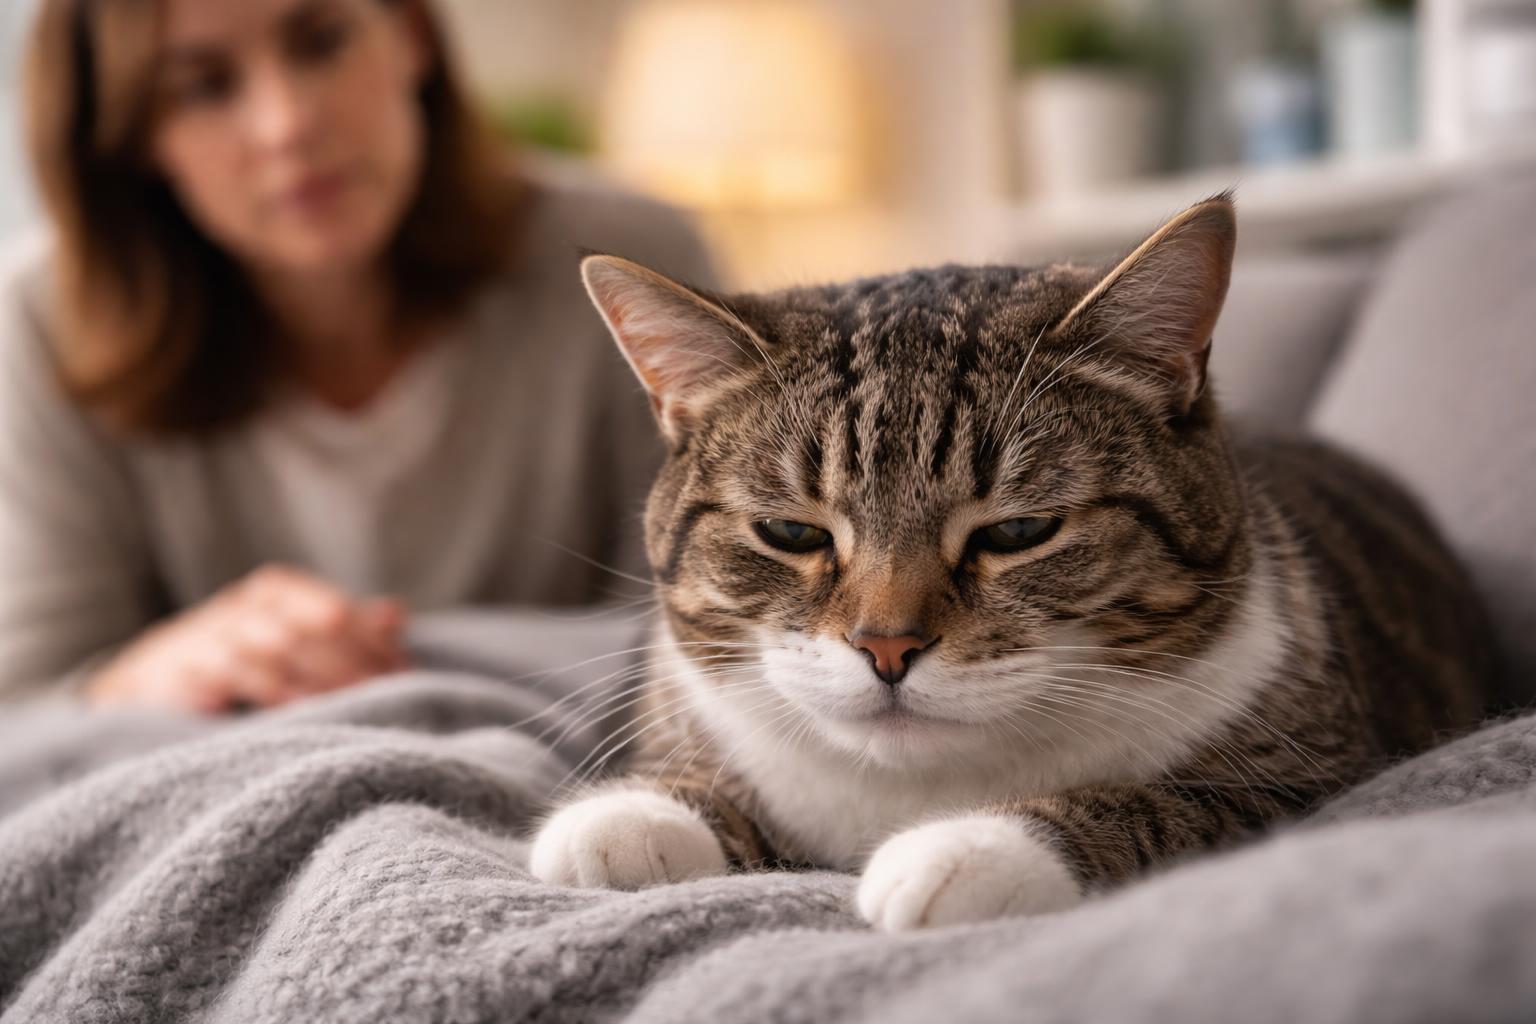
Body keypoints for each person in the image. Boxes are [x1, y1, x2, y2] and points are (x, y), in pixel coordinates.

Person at [0, 0, 715, 712]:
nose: (288, 123)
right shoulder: (44, 326)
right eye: (203, 86)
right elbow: (28, 714)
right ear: (131, 137)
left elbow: (703, 650)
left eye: (322, 41)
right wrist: (157, 673)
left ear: (411, 37)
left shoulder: (630, 267)